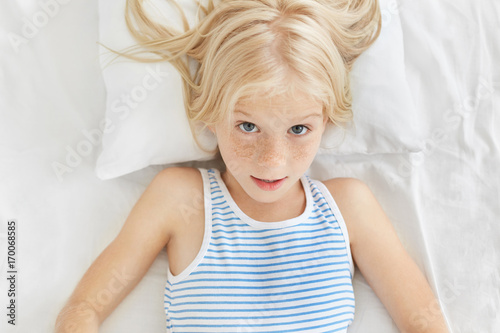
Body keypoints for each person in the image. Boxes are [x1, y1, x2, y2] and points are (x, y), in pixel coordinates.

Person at [56, 0, 449, 332]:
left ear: (325, 121)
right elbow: (83, 309)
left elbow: (423, 321)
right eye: (247, 126)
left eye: (298, 128)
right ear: (210, 114)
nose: (272, 160)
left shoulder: (348, 207)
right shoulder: (179, 198)